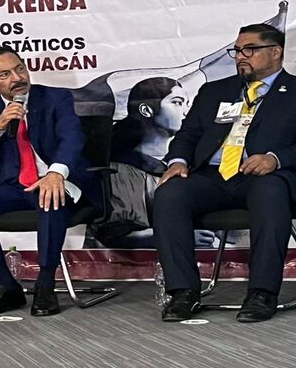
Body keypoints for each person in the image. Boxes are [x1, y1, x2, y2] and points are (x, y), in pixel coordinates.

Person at [151, 24, 296, 323]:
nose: (240, 57)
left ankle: (262, 292)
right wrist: (178, 161)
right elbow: (188, 135)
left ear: (276, 52)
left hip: (267, 178)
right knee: (170, 193)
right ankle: (183, 292)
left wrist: (275, 158)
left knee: (269, 190)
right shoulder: (214, 92)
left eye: (249, 49)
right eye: (236, 50)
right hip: (212, 177)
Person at [0, 46, 99, 318]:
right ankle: (6, 285)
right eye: (5, 74)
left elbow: (72, 139)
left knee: (50, 193)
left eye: (19, 68)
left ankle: (45, 284)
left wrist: (55, 173)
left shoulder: (55, 98)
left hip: (57, 181)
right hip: (12, 188)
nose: (17, 77)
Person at [87, 78, 215, 249]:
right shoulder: (121, 168)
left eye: (187, 103)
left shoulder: (188, 160)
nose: (186, 111)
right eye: (177, 103)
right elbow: (115, 232)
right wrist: (180, 235)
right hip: (129, 268)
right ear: (146, 110)